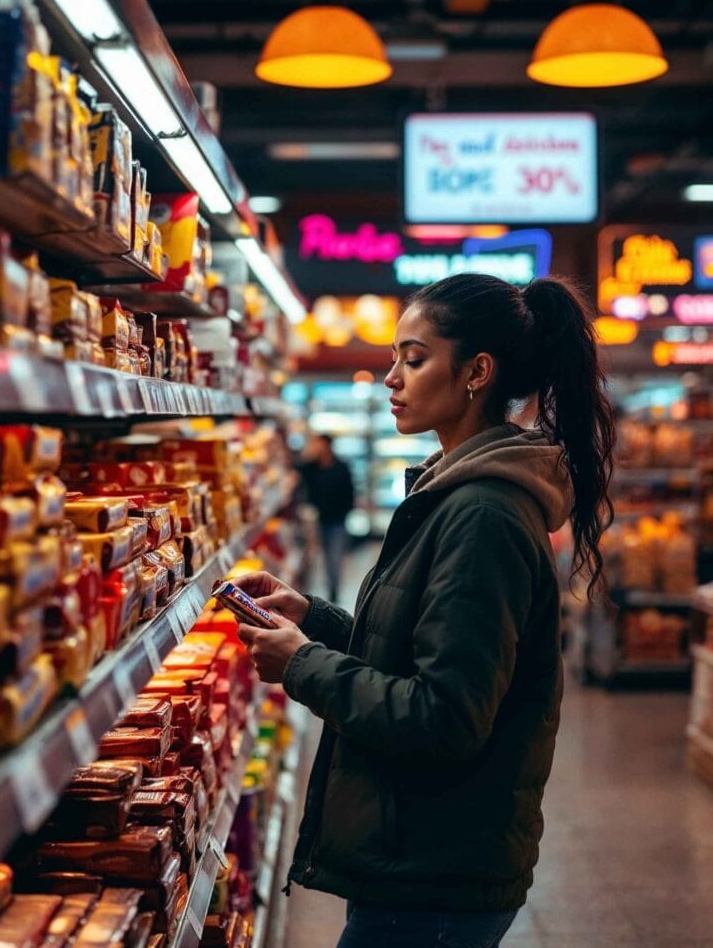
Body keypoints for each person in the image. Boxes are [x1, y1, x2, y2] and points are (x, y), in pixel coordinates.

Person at [233, 275, 615, 948]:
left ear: (476, 373)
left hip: (434, 875)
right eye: (394, 361)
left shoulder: (483, 515)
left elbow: (444, 716)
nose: (391, 379)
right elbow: (423, 651)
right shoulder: (457, 495)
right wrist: (315, 621)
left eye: (413, 359)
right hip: (422, 854)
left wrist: (303, 665)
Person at [298, 433, 354, 602]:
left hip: (336, 521)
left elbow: (350, 492)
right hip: (315, 522)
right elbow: (296, 470)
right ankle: (308, 592)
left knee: (334, 559)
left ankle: (333, 592)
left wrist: (345, 512)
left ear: (328, 446)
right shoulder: (310, 467)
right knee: (312, 557)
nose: (316, 448)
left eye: (319, 444)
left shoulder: (341, 467)